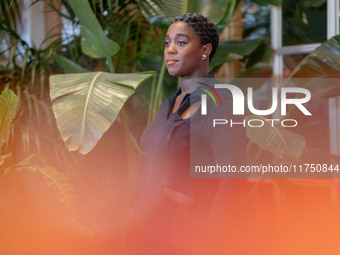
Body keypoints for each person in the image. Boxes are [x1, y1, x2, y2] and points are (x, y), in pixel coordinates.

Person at [136, 13, 248, 255]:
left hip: (190, 238)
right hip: (153, 235)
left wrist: (207, 240)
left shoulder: (222, 104)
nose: (170, 50)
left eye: (181, 42)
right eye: (167, 43)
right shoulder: (168, 105)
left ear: (205, 50)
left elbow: (234, 182)